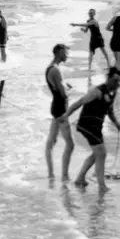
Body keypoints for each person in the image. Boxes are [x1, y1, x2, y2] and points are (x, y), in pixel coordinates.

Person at [61, 67, 120, 191]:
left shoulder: (113, 93)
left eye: (119, 81)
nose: (117, 83)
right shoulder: (97, 91)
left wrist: (116, 122)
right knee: (101, 153)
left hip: (96, 126)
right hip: (87, 124)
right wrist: (65, 115)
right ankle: (102, 186)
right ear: (109, 79)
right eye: (115, 80)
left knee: (97, 154)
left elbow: (109, 110)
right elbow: (79, 102)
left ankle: (80, 178)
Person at [45, 44, 74, 182]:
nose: (67, 55)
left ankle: (51, 174)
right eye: (66, 53)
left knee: (51, 142)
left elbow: (58, 87)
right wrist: (70, 90)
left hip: (55, 107)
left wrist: (65, 86)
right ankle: (64, 176)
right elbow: (63, 94)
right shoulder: (56, 70)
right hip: (61, 110)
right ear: (59, 53)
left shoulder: (50, 68)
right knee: (70, 143)